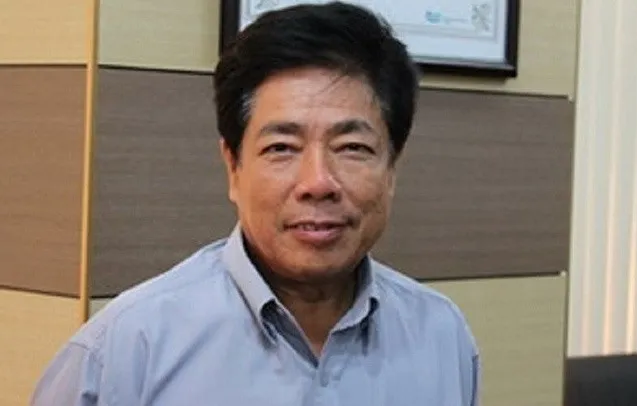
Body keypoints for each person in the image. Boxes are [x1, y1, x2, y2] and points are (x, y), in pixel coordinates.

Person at [31, 2, 479, 405]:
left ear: (392, 168)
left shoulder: (442, 336)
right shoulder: (126, 350)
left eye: (352, 148)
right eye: (282, 148)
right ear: (233, 166)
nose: (318, 182)